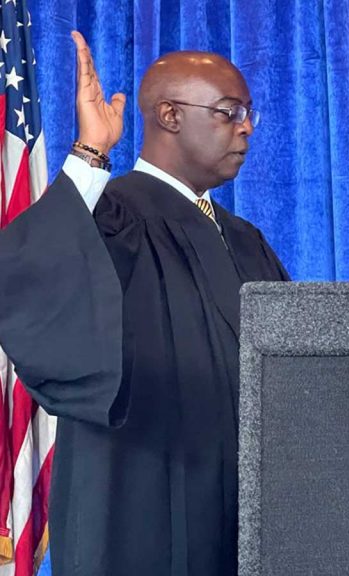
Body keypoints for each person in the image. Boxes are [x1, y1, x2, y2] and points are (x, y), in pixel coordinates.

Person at [0, 32, 289, 576]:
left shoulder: (245, 238)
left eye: (248, 113)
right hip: (137, 505)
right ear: (171, 116)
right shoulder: (110, 214)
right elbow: (27, 280)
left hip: (242, 515)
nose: (247, 127)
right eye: (231, 112)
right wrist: (90, 155)